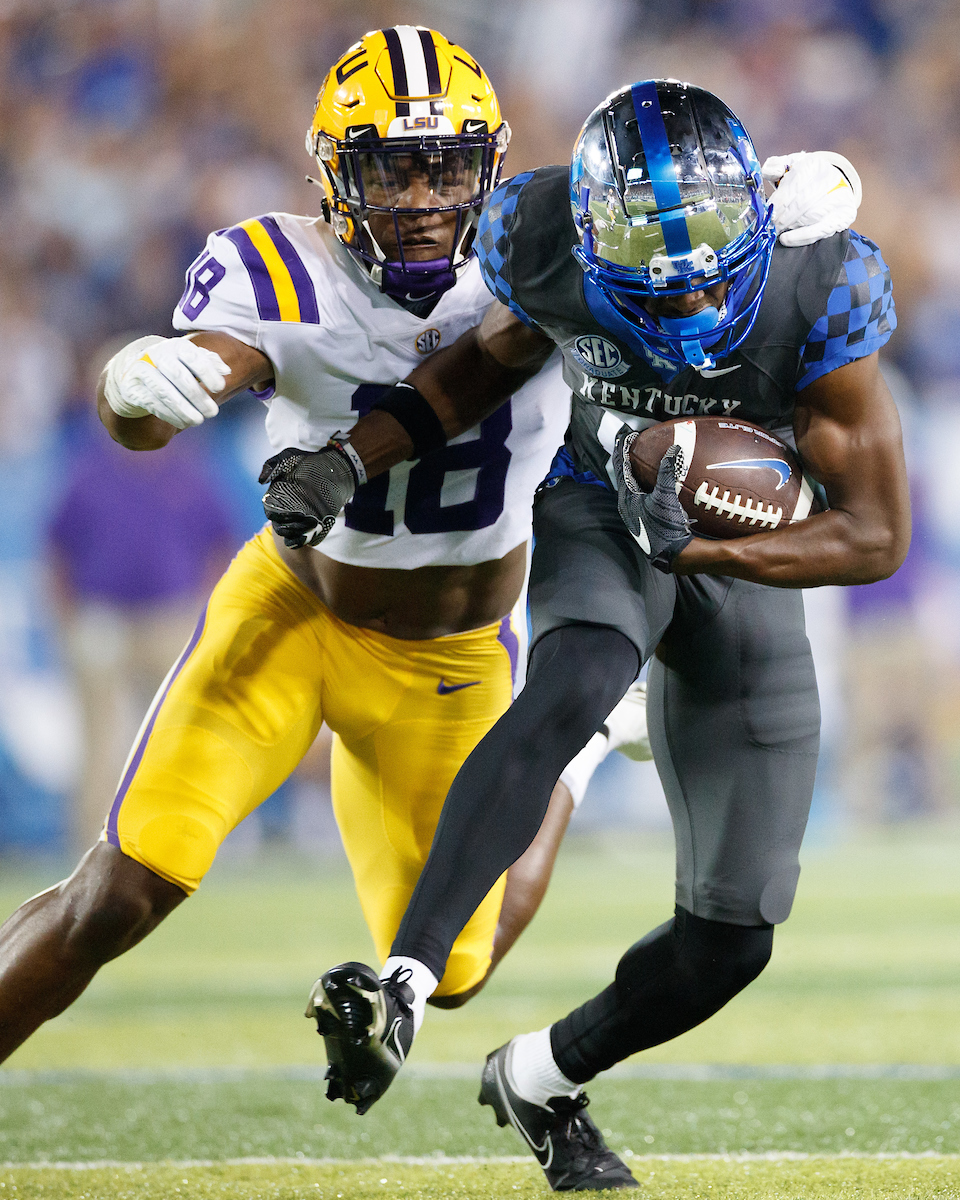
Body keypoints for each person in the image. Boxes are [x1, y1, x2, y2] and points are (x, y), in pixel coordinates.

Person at [0, 32, 857, 1086]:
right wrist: (139, 384)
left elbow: (681, 228)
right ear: (333, 172)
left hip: (450, 658)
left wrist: (780, 199)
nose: (420, 195)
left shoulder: (554, 250)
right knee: (123, 889)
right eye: (391, 167)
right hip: (292, 617)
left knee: (453, 971)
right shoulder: (282, 265)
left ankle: (574, 756)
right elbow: (184, 388)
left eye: (445, 165)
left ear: (487, 166)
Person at [305, 80, 907, 1190]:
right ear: (588, 245)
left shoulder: (821, 278)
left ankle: (538, 1077)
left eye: (710, 283)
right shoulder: (542, 237)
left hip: (738, 543)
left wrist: (714, 550)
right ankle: (405, 978)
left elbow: (873, 536)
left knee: (734, 937)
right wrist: (354, 456)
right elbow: (483, 365)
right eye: (651, 293)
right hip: (598, 507)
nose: (684, 315)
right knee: (570, 681)